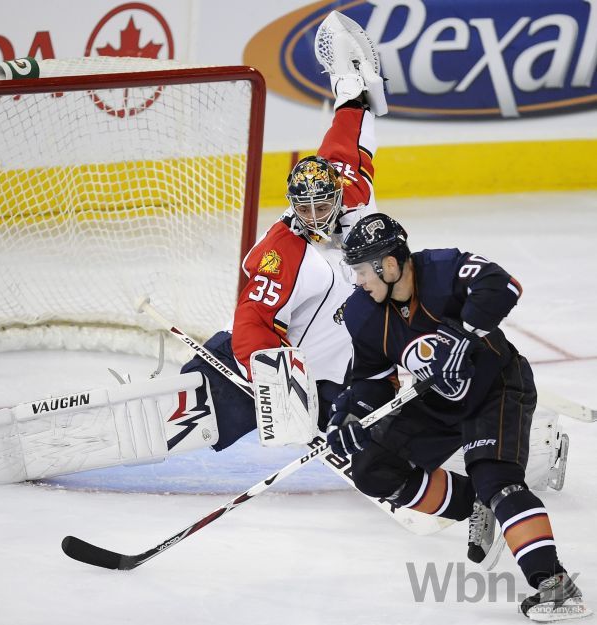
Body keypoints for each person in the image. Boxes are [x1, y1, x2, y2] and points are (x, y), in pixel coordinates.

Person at [325, 213, 591, 621]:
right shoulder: (364, 312)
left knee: (496, 479)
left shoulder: (441, 269)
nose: (358, 281)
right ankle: (477, 504)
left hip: (497, 385)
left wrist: (463, 333)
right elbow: (370, 380)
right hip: (438, 400)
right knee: (371, 467)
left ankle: (554, 587)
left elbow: (503, 285)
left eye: (362, 270)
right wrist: (349, 417)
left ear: (390, 264)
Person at [181, 11, 387, 448]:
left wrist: (352, 93)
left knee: (385, 436)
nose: (314, 214)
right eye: (304, 206)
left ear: (338, 193)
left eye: (322, 202)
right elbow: (253, 320)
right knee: (186, 421)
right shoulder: (285, 252)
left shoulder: (353, 195)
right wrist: (277, 385)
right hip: (251, 376)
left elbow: (347, 143)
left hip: (331, 380)